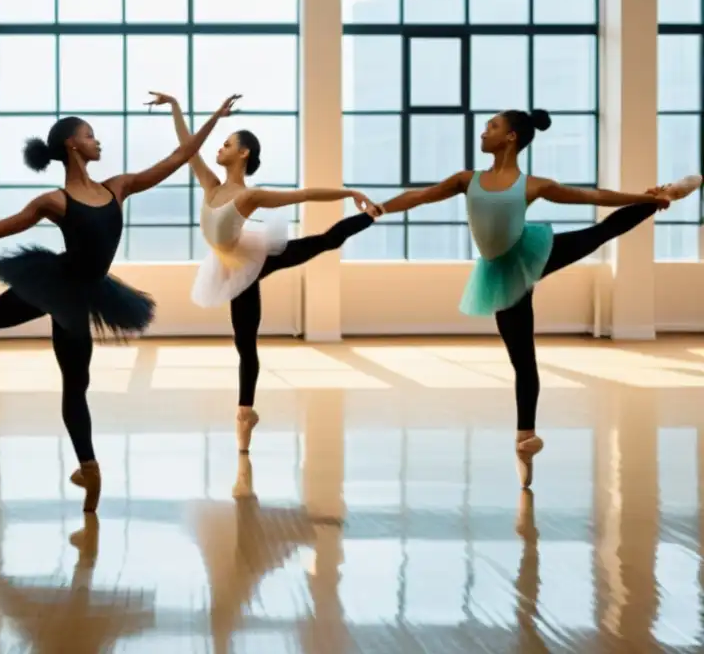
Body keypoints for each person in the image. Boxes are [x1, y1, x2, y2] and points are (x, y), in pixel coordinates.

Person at [0, 94, 240, 512]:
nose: (97, 140)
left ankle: (88, 467)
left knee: (69, 380)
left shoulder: (117, 186)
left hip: (79, 292)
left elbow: (180, 156)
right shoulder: (58, 200)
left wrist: (214, 116)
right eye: (90, 135)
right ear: (72, 145)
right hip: (59, 284)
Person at [375, 109, 701, 487]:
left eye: (491, 127)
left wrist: (647, 197)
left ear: (511, 137)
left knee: (598, 234)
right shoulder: (467, 179)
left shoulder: (532, 185)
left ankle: (668, 195)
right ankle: (523, 443)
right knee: (523, 360)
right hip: (500, 274)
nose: (483, 132)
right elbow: (420, 196)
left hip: (534, 251)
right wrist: (381, 208)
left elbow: (592, 196)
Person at [145, 93, 380, 454]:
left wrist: (349, 191)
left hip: (253, 259)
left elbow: (302, 195)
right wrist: (176, 106)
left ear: (243, 154)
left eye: (226, 144)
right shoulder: (211, 184)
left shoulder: (249, 196)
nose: (217, 149)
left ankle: (370, 214)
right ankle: (248, 414)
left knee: (322, 242)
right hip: (228, 265)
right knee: (244, 343)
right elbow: (188, 147)